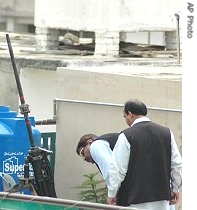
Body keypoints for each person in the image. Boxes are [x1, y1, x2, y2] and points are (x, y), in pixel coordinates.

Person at [107, 99, 182, 210]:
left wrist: (112, 194)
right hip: (161, 198)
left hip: (133, 199)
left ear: (130, 114)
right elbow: (177, 164)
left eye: (125, 116)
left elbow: (118, 169)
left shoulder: (127, 135)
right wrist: (176, 188)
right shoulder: (167, 133)